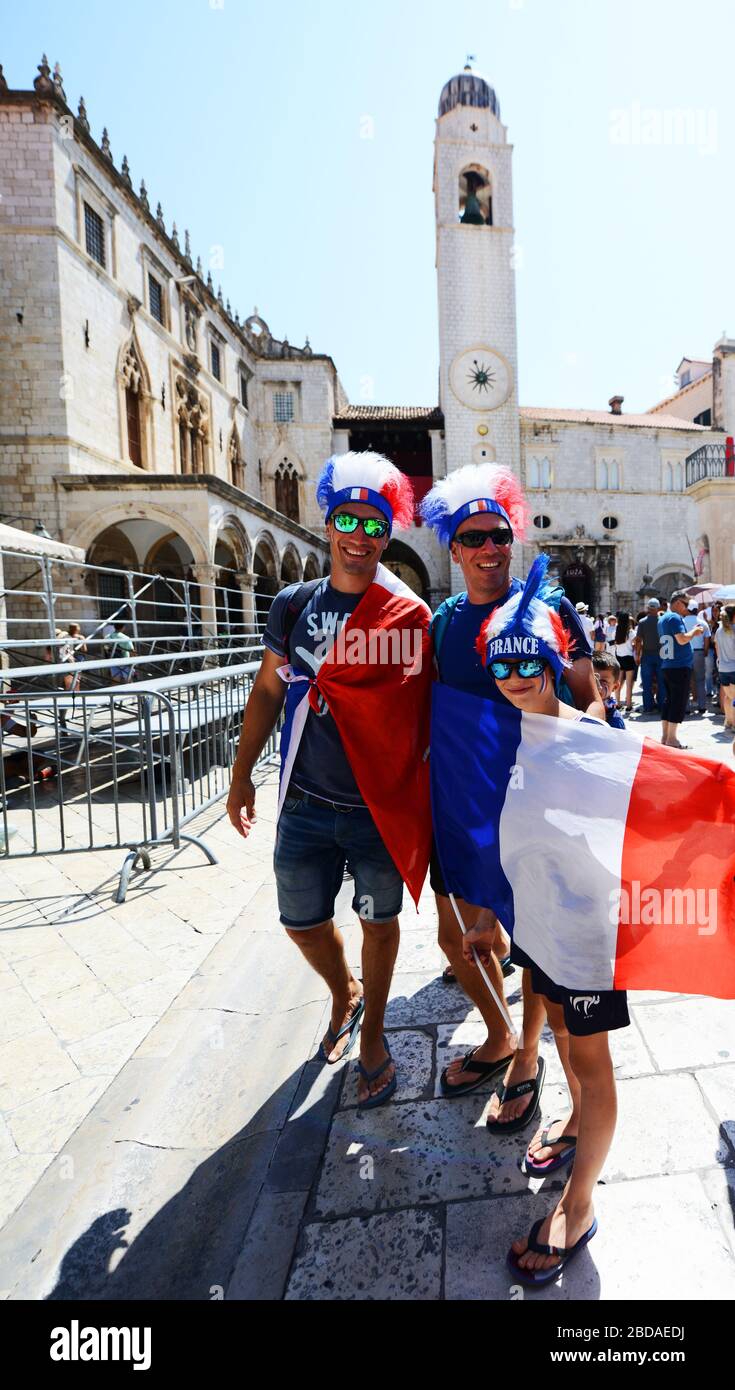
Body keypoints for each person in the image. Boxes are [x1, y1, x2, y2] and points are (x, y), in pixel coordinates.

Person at [226, 451, 429, 1109]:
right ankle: (343, 989)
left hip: (376, 809)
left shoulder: (407, 616)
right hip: (306, 805)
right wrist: (241, 776)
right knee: (302, 923)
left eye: (374, 523)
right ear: (329, 520)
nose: (359, 535)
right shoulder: (293, 606)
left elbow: (428, 708)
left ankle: (371, 1033)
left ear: (387, 531)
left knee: (379, 922)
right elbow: (266, 691)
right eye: (347, 518)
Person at [420, 464, 604, 1126]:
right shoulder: (441, 623)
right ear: (454, 547)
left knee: (533, 944)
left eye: (499, 534)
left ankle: (526, 1056)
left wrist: (590, 782)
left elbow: (589, 701)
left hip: (534, 813)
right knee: (471, 940)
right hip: (464, 817)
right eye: (474, 538)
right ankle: (501, 1038)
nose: (490, 549)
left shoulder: (548, 609)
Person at [462, 557, 628, 1286]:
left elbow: (646, 825)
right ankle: (568, 1124)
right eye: (502, 664)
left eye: (529, 661)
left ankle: (579, 1204)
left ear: (552, 660)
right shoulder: (507, 737)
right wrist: (481, 913)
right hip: (538, 926)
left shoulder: (593, 739)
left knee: (590, 1060)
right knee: (562, 1037)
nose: (516, 675)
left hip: (590, 936)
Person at [657, 591, 705, 749]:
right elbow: (682, 639)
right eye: (685, 604)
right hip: (678, 666)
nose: (687, 608)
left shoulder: (662, 618)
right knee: (677, 702)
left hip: (668, 665)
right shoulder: (674, 617)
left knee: (669, 701)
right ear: (677, 603)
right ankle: (672, 739)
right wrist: (695, 632)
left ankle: (665, 737)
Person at [635, 597, 663, 714]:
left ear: (648, 608)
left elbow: (638, 641)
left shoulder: (642, 622)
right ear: (658, 608)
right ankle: (662, 706)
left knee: (646, 683)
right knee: (662, 682)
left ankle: (648, 707)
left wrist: (637, 655)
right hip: (661, 655)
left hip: (647, 655)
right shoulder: (662, 621)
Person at [684, 601, 710, 714]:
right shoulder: (703, 623)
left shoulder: (682, 622)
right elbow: (707, 640)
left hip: (685, 654)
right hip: (699, 652)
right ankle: (702, 706)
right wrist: (704, 652)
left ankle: (686, 708)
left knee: (685, 681)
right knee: (700, 680)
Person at [714, 602, 735, 732]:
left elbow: (717, 649)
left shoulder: (719, 630)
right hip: (734, 667)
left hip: (723, 668)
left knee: (728, 697)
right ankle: (733, 724)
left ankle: (728, 721)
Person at [592, 650, 626, 728]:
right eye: (593, 678)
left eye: (603, 681)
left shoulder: (614, 721)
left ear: (615, 687)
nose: (597, 685)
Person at [612, 610, 637, 712]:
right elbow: (635, 643)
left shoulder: (615, 631)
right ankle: (629, 705)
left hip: (619, 657)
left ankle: (618, 703)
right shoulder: (630, 632)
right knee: (629, 683)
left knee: (618, 682)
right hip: (629, 657)